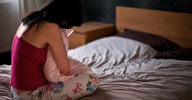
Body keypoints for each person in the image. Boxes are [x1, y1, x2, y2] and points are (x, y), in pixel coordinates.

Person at [10, 0, 99, 99]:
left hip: (15, 88)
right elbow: (65, 69)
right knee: (92, 80)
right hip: (29, 94)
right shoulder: (50, 27)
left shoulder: (32, 18)